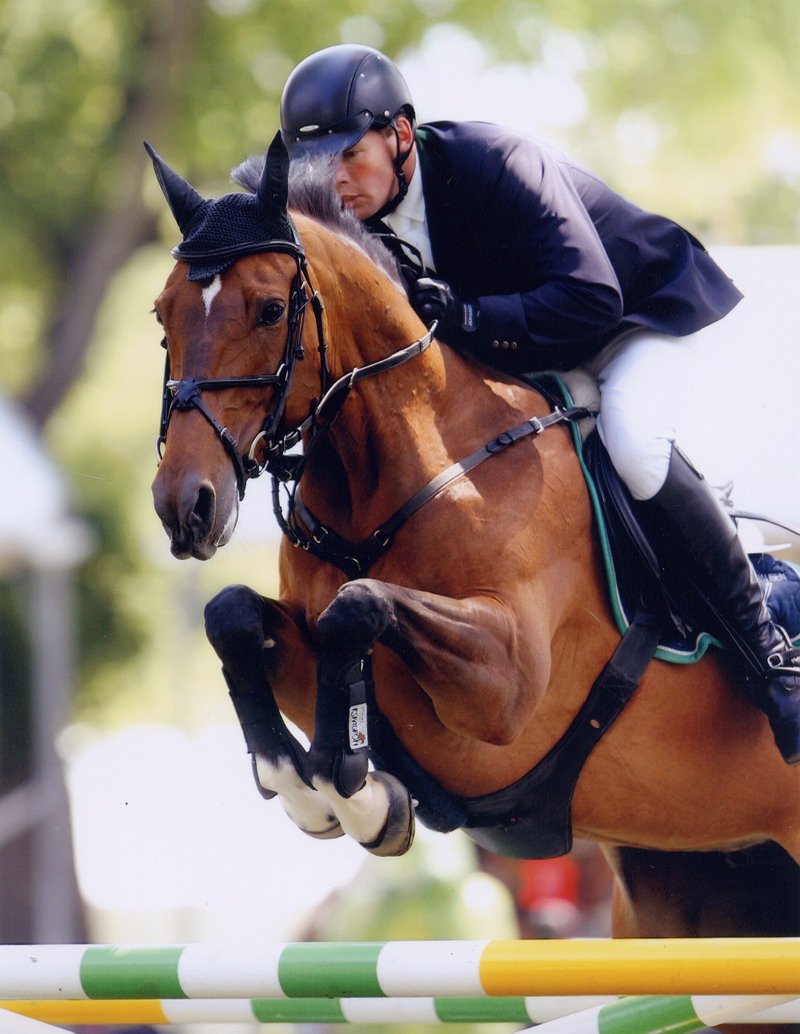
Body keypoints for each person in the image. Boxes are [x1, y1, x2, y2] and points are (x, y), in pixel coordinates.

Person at [278, 43, 800, 764]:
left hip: (629, 322)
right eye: (317, 164)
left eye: (350, 154)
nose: (335, 180)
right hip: (531, 357)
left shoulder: (497, 164)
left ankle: (771, 660)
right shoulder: (351, 226)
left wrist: (467, 318)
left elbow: (591, 298)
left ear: (401, 135)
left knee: (635, 444)